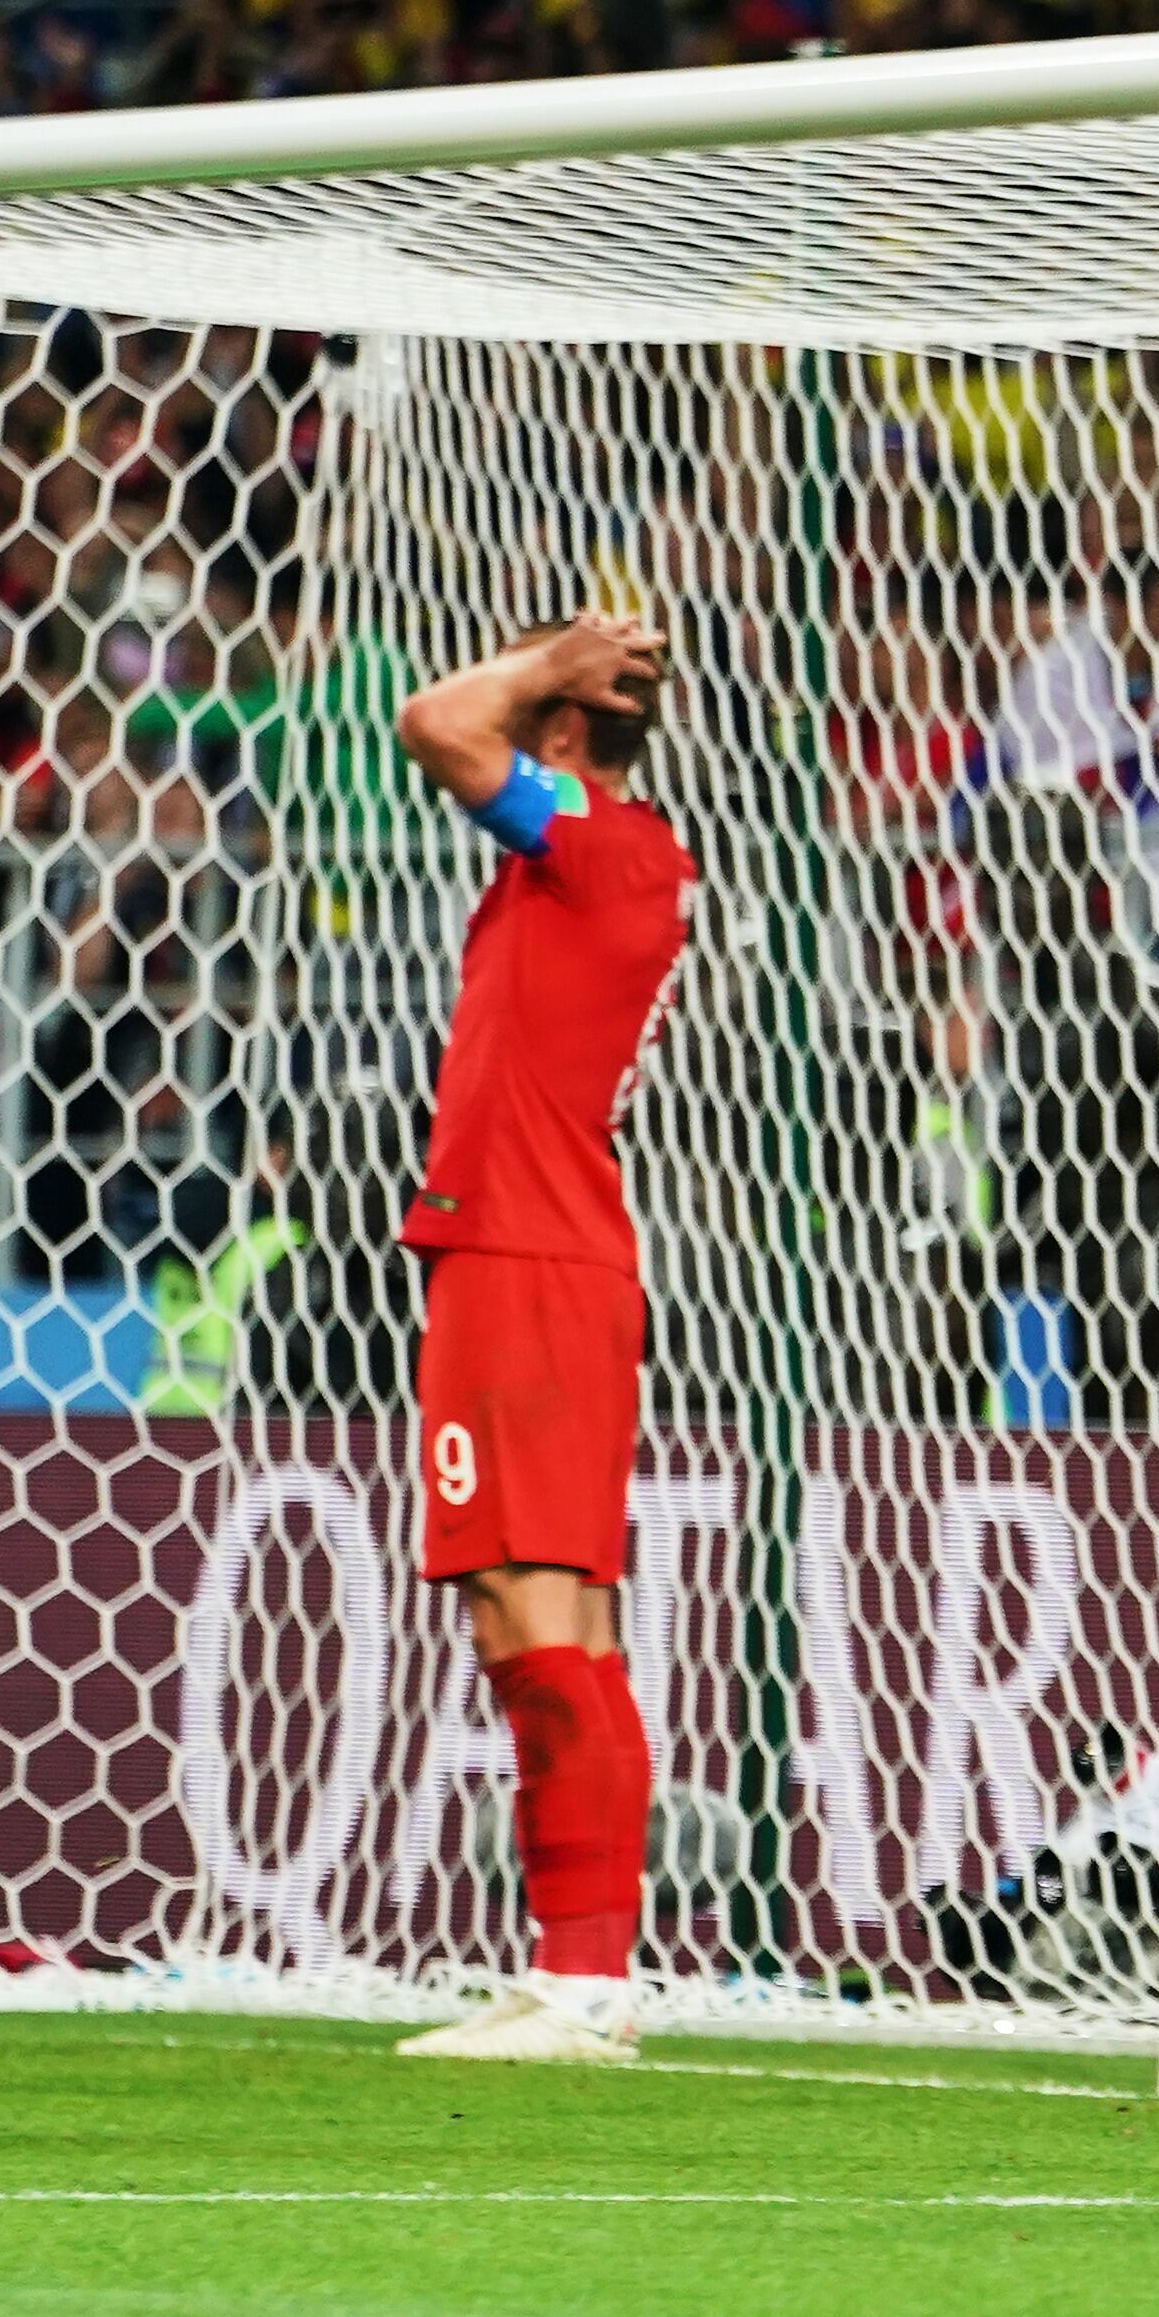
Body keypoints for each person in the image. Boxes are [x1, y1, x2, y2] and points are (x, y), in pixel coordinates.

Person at [387, 613, 696, 2064]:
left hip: (530, 1261)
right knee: (532, 1616)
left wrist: (548, 661)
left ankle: (585, 1985)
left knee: (540, 1610)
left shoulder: (596, 835)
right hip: (521, 1254)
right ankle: (576, 1972)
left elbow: (437, 723)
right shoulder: (588, 856)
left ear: (563, 735)